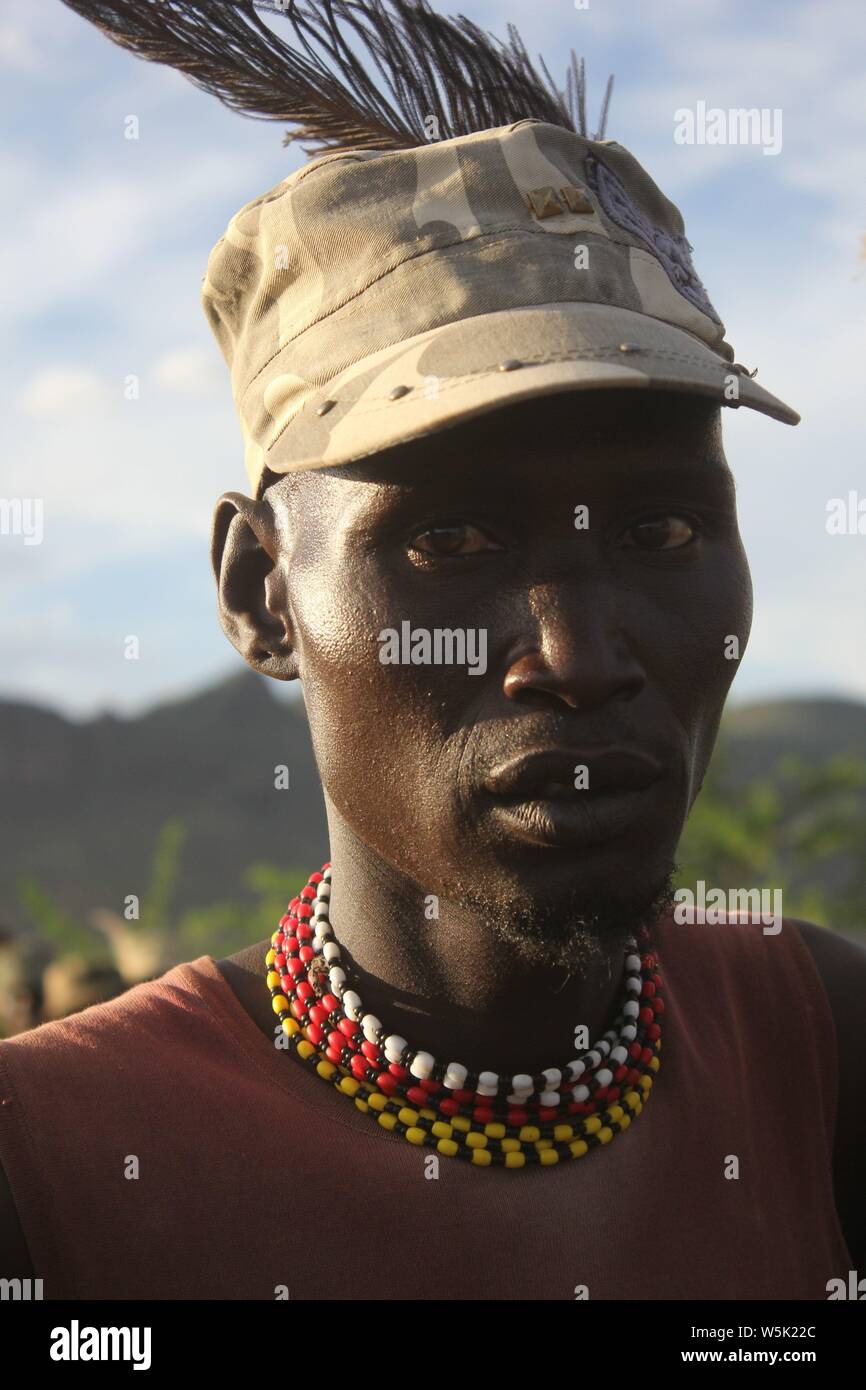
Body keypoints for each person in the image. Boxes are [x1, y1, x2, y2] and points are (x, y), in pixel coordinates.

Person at [1, 0, 863, 1300]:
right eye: (453, 537)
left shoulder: (820, 1043)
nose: (576, 656)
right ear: (260, 593)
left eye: (661, 526)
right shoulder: (53, 1163)